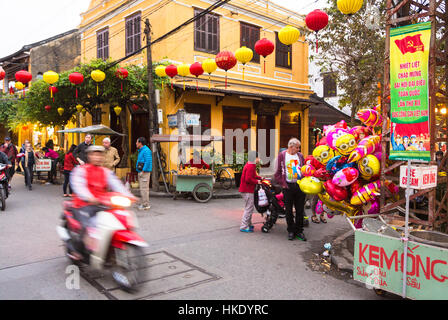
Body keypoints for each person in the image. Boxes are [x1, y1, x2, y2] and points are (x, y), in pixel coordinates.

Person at [70, 145, 135, 260]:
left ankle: (107, 247)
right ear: (89, 156)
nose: (97, 157)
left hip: (101, 204)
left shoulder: (105, 171)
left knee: (119, 220)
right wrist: (88, 197)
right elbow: (79, 185)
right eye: (94, 154)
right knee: (87, 226)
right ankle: (77, 250)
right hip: (83, 205)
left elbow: (116, 184)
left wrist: (129, 196)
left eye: (100, 154)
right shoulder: (81, 170)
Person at [274, 138, 307, 241]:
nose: (298, 149)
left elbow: (305, 169)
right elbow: (277, 173)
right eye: (297, 147)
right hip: (288, 186)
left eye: (299, 147)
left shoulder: (300, 156)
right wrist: (283, 184)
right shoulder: (282, 155)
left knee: (300, 209)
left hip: (299, 186)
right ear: (291, 147)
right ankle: (291, 231)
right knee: (288, 210)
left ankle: (299, 231)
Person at [239, 151, 262, 233]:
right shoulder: (251, 166)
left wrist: (260, 178)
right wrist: (257, 182)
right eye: (258, 157)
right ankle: (244, 226)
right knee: (249, 208)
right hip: (247, 190)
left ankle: (248, 224)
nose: (259, 159)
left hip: (245, 189)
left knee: (249, 207)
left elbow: (253, 176)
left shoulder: (250, 164)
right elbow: (248, 179)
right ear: (255, 158)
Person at [136, 137, 152, 211]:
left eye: (137, 142)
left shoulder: (146, 150)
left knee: (144, 189)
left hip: (144, 172)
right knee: (142, 188)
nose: (136, 143)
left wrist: (143, 171)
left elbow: (148, 161)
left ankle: (146, 205)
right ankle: (144, 203)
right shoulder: (142, 150)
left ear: (140, 143)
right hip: (141, 172)